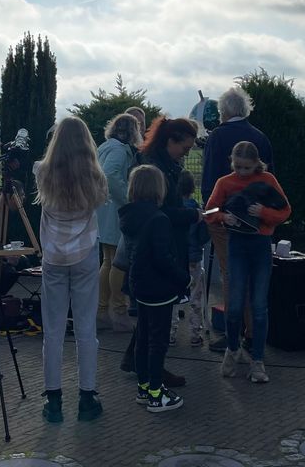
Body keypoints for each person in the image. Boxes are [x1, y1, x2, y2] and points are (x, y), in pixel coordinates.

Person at [35, 116, 110, 423]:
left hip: (52, 257)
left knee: (52, 330)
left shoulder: (42, 171)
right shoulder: (96, 176)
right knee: (85, 329)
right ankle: (86, 397)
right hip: (85, 256)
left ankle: (53, 401)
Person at [120, 117, 200, 386]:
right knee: (155, 323)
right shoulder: (156, 168)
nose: (185, 155)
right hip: (157, 251)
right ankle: (153, 379)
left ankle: (138, 364)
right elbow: (160, 212)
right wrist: (190, 215)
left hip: (151, 250)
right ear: (170, 141)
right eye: (184, 149)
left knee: (147, 318)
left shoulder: (157, 163)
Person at [203, 141, 291, 384]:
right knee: (234, 305)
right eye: (238, 167)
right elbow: (209, 212)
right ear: (232, 163)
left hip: (261, 246)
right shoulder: (225, 182)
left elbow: (285, 211)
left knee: (259, 306)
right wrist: (224, 217)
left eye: (247, 168)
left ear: (256, 164)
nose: (242, 172)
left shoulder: (267, 180)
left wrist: (263, 213)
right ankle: (233, 350)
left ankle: (258, 361)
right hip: (237, 246)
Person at [200, 86, 273, 351]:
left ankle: (235, 334)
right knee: (255, 275)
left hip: (226, 218)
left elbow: (209, 181)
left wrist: (210, 214)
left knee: (231, 274)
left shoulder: (218, 137)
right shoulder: (260, 137)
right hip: (256, 219)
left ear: (225, 111)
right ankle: (255, 332)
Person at [120, 164, 187, 413]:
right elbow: (163, 258)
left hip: (140, 286)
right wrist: (182, 278)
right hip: (159, 288)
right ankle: (157, 395)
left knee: (143, 338)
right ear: (157, 189)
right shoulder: (158, 219)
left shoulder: (129, 217)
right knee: (158, 342)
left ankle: (144, 387)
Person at [96, 113, 141, 333]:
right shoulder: (118, 151)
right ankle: (118, 311)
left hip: (104, 209)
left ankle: (103, 311)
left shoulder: (106, 147)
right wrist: (128, 199)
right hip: (115, 210)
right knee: (118, 263)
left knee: (108, 260)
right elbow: (111, 176)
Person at [171, 170, 209, 346]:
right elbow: (203, 237)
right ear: (192, 188)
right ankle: (195, 334)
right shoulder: (196, 210)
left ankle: (171, 333)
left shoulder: (172, 209)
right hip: (194, 258)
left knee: (173, 297)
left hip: (176, 258)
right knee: (195, 297)